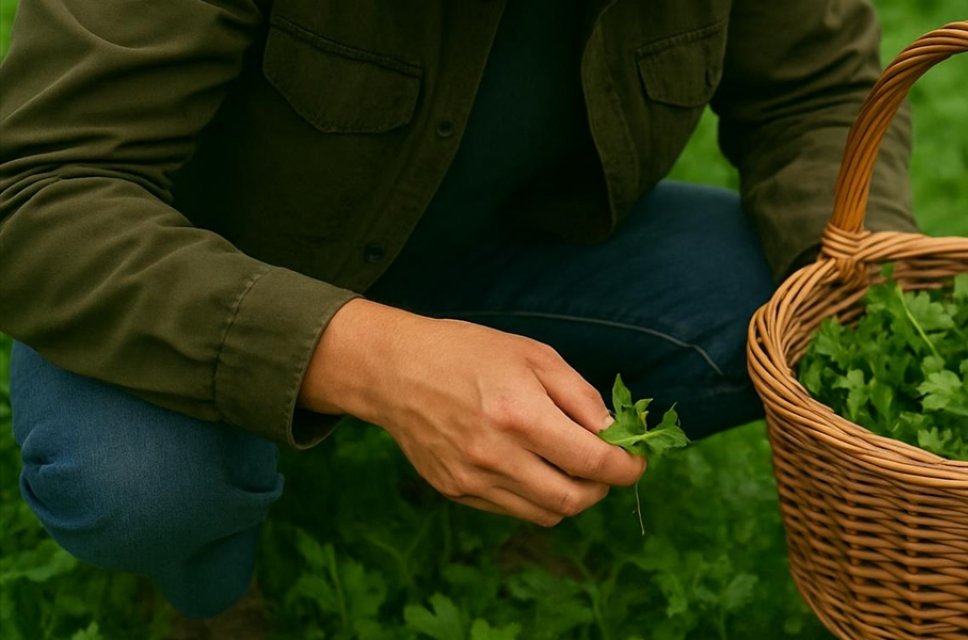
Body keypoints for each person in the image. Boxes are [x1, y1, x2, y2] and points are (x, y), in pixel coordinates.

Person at [0, 0, 913, 622]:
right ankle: (207, 595)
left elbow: (814, 92)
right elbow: (38, 191)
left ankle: (518, 468)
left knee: (781, 305)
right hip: (202, 272)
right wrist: (369, 358)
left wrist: (874, 311)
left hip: (500, 251)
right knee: (140, 483)